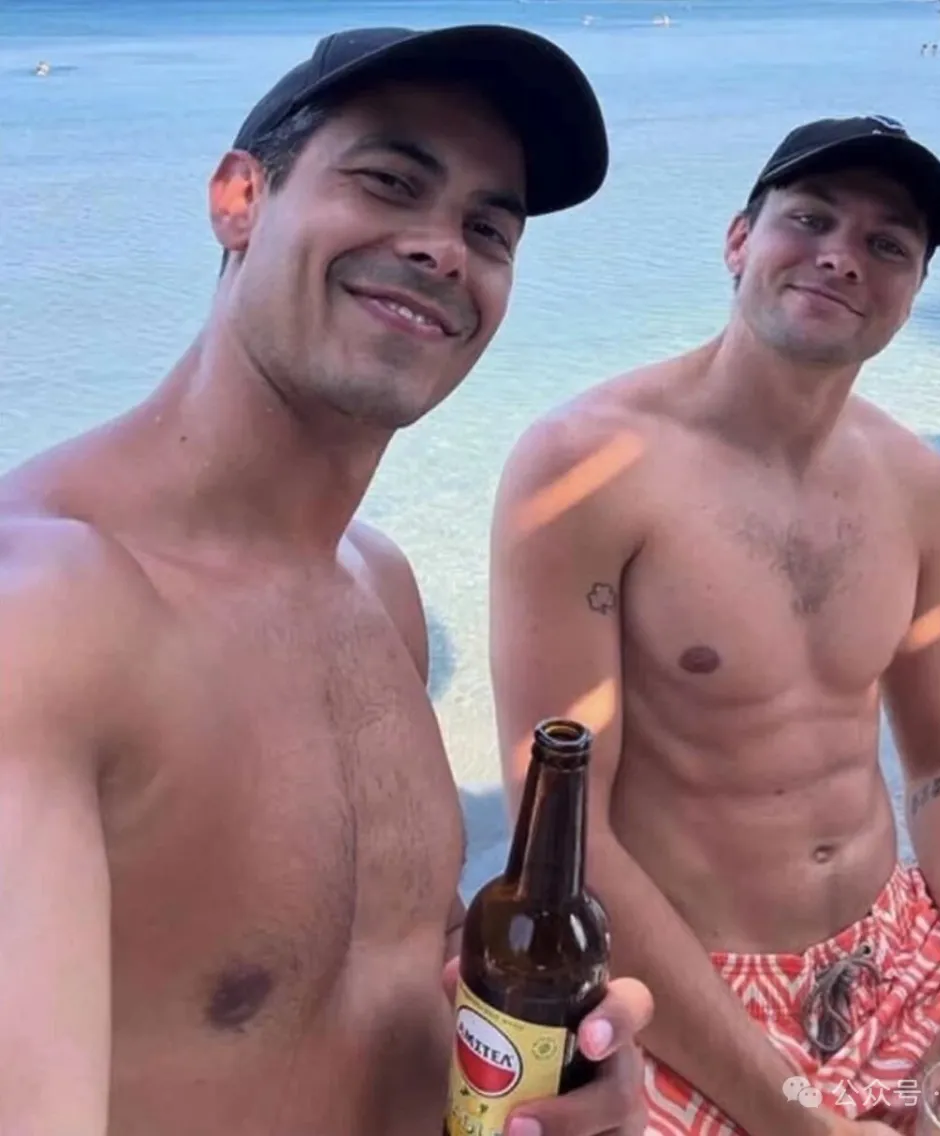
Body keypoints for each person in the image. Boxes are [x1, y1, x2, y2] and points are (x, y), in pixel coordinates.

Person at [0, 24, 656, 1136]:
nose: (443, 249)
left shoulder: (379, 585)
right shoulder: (46, 615)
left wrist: (562, 1083)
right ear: (239, 198)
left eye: (488, 229)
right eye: (390, 181)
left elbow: (395, 964)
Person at [489, 115, 940, 1136]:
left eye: (887, 244)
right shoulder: (588, 469)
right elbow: (564, 838)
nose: (842, 256)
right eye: (810, 219)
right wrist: (799, 1117)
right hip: (681, 1001)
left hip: (894, 955)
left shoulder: (917, 486)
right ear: (738, 240)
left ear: (912, 290)